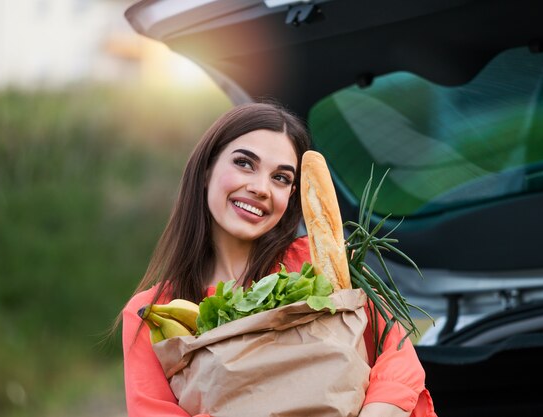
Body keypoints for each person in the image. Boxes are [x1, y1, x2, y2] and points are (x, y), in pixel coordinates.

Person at [120, 101, 437, 417]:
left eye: (281, 178)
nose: (260, 188)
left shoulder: (325, 264)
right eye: (244, 163)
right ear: (207, 169)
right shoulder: (154, 314)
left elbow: (397, 363)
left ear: (292, 195)